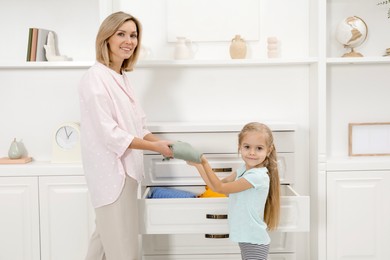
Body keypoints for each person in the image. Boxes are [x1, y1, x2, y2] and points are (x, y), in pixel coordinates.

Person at [78, 11, 173, 260]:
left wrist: (161, 143)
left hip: (126, 171)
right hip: (112, 175)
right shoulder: (95, 78)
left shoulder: (120, 77)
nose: (129, 40)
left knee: (102, 242)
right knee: (123, 248)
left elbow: (138, 125)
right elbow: (111, 134)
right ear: (106, 38)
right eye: (121, 34)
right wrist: (156, 148)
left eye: (133, 35)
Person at [188, 122, 280, 260]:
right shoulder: (244, 170)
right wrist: (198, 165)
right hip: (247, 238)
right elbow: (216, 186)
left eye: (259, 148)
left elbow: (220, 188)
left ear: (269, 150)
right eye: (247, 147)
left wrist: (205, 163)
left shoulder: (257, 177)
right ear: (239, 147)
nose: (252, 152)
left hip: (254, 240)